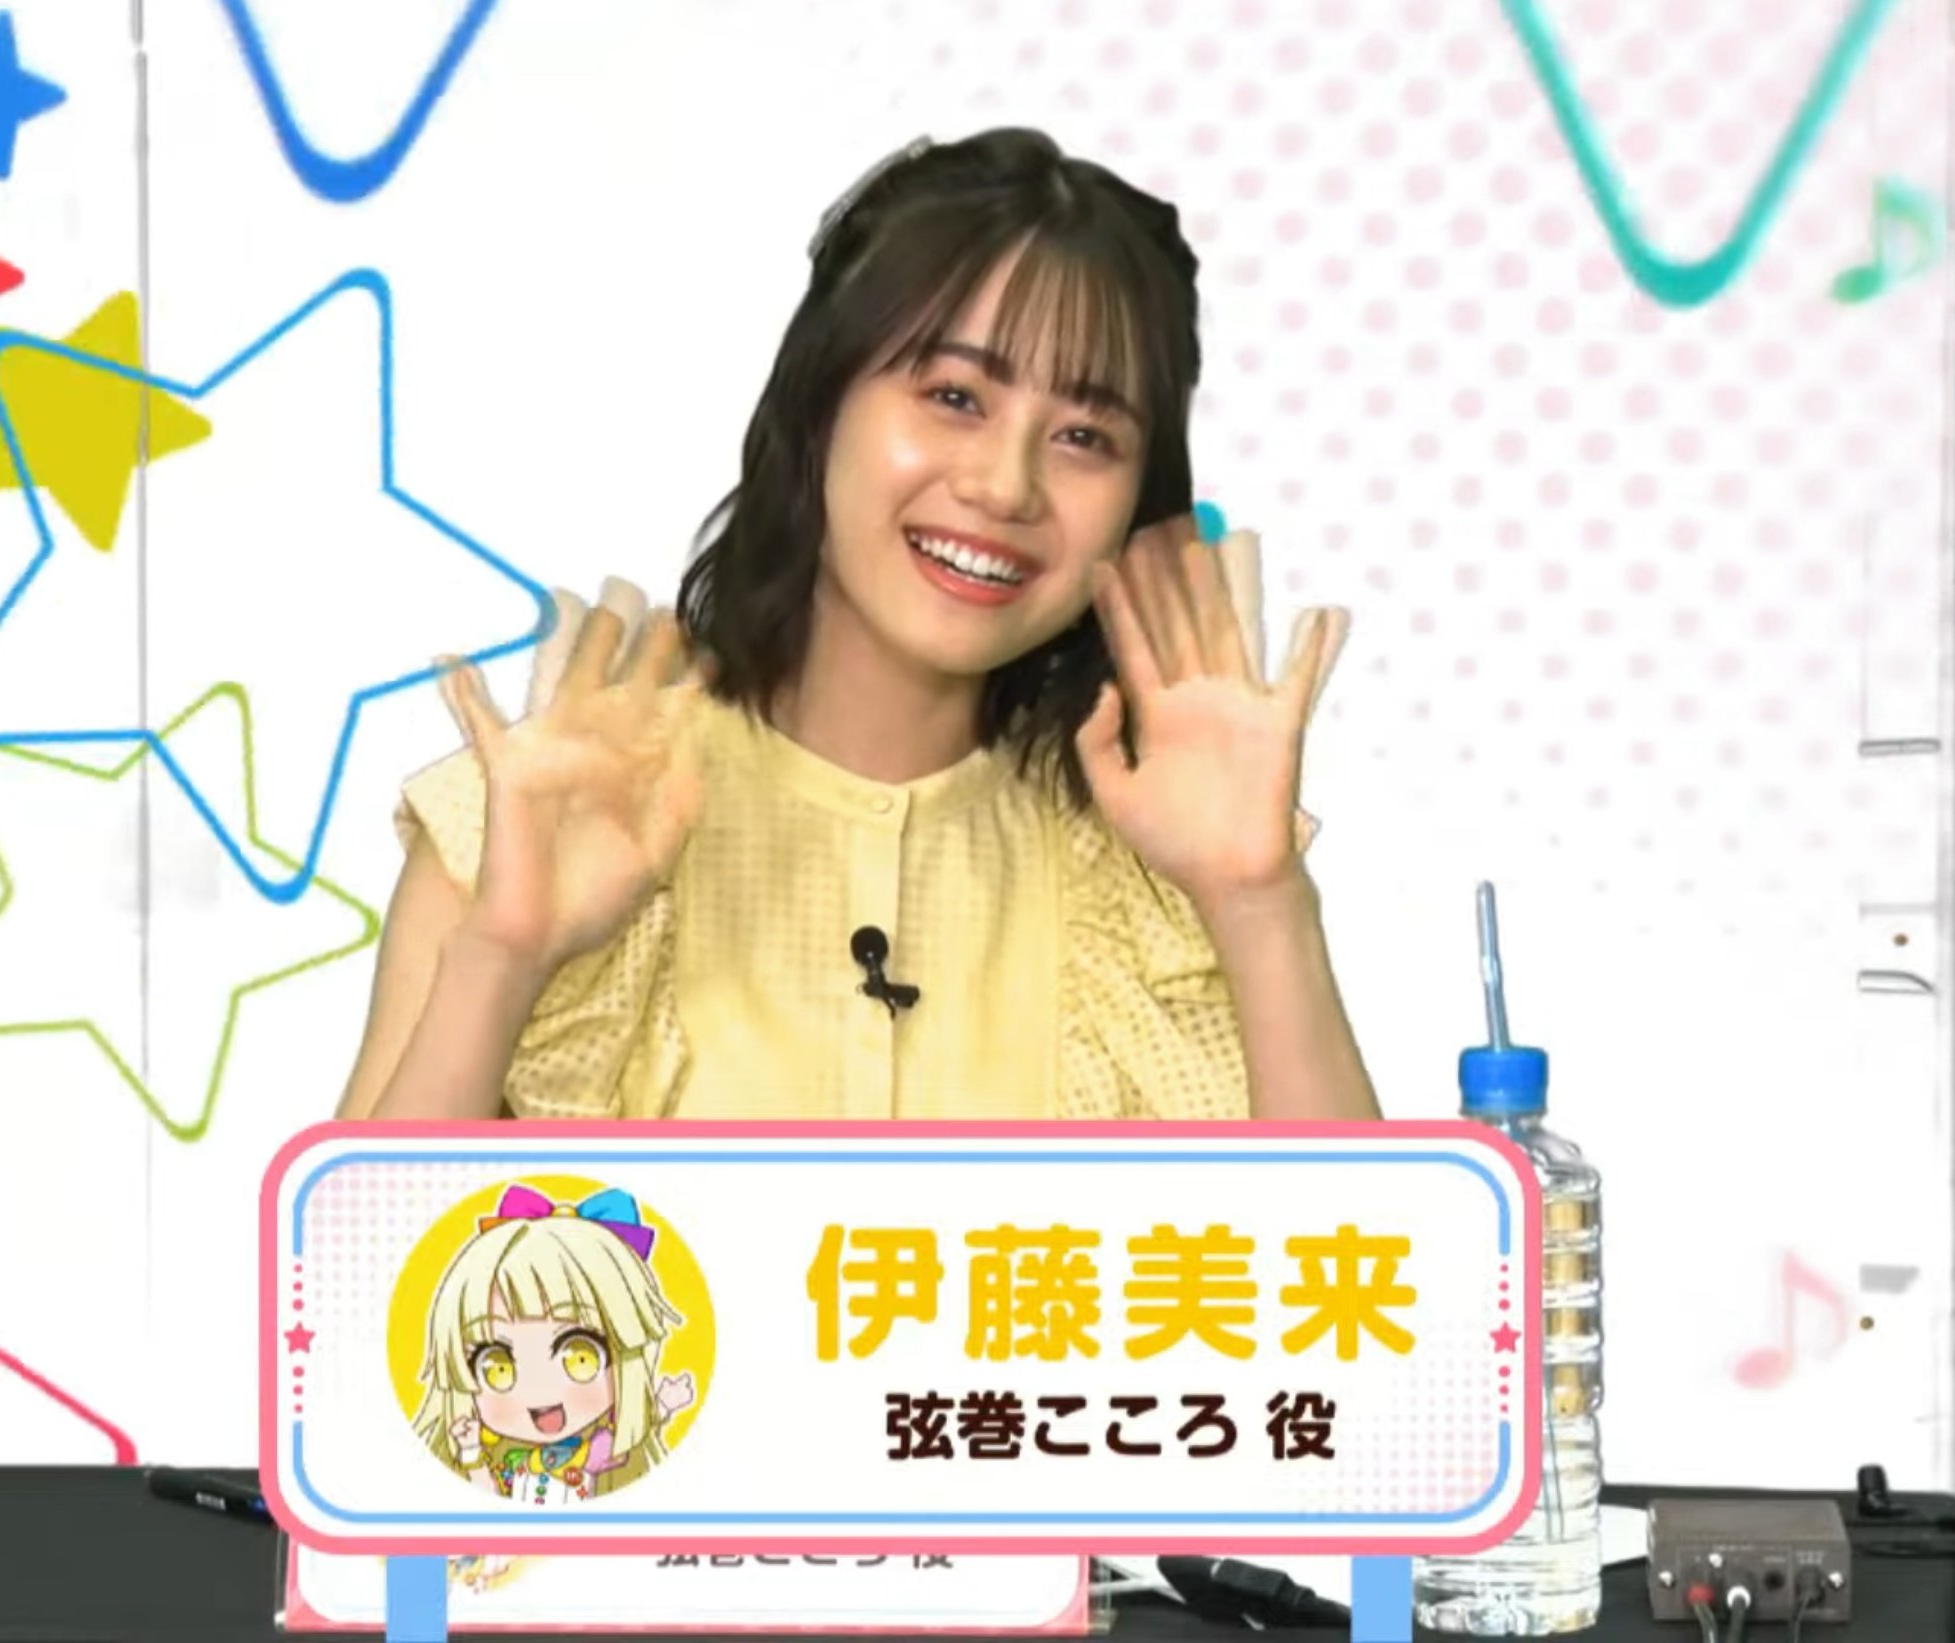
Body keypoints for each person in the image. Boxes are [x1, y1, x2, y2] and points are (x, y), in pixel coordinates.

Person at [337, 127, 1377, 1124]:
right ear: (819, 402)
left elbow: (1370, 1246)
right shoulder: (545, 810)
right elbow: (357, 1252)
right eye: (955, 395)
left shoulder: (1163, 865)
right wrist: (506, 952)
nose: (1005, 485)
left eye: (1082, 436)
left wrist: (1258, 900)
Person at [408, 1186, 698, 1503]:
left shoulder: (599, 1452)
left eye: (580, 1358)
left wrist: (661, 1407)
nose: (538, 1391)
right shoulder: (503, 1463)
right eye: (497, 1367)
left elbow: (631, 1437)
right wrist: (471, 1451)